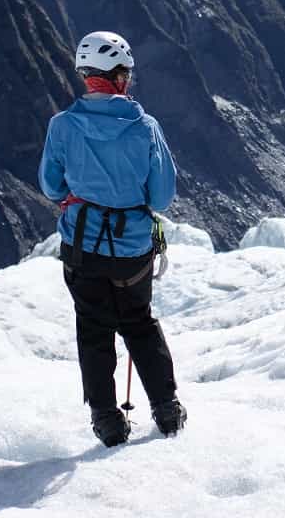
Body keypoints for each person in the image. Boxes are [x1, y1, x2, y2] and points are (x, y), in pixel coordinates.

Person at [39, 31, 187, 444]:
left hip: (82, 245)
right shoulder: (145, 127)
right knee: (139, 323)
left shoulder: (62, 126)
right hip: (132, 248)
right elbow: (161, 196)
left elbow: (51, 187)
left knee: (93, 327)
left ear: (87, 76)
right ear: (120, 76)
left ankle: (106, 420)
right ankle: (167, 409)